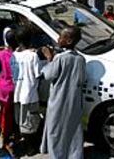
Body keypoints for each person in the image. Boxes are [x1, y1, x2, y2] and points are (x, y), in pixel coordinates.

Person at [40, 26, 86, 159]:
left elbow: (48, 75)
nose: (58, 39)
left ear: (69, 41)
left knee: (56, 131)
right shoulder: (80, 59)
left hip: (58, 102)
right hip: (74, 101)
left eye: (61, 37)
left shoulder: (60, 58)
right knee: (73, 131)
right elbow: (82, 79)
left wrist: (49, 58)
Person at [10, 25, 42, 156]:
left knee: (21, 120)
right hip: (30, 95)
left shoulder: (14, 56)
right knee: (31, 121)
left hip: (17, 94)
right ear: (31, 40)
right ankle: (30, 147)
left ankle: (22, 144)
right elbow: (38, 74)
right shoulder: (33, 56)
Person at [0, 30, 18, 155]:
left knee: (4, 113)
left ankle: (3, 135)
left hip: (2, 87)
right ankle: (7, 140)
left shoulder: (0, 54)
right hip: (13, 88)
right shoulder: (17, 56)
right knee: (10, 115)